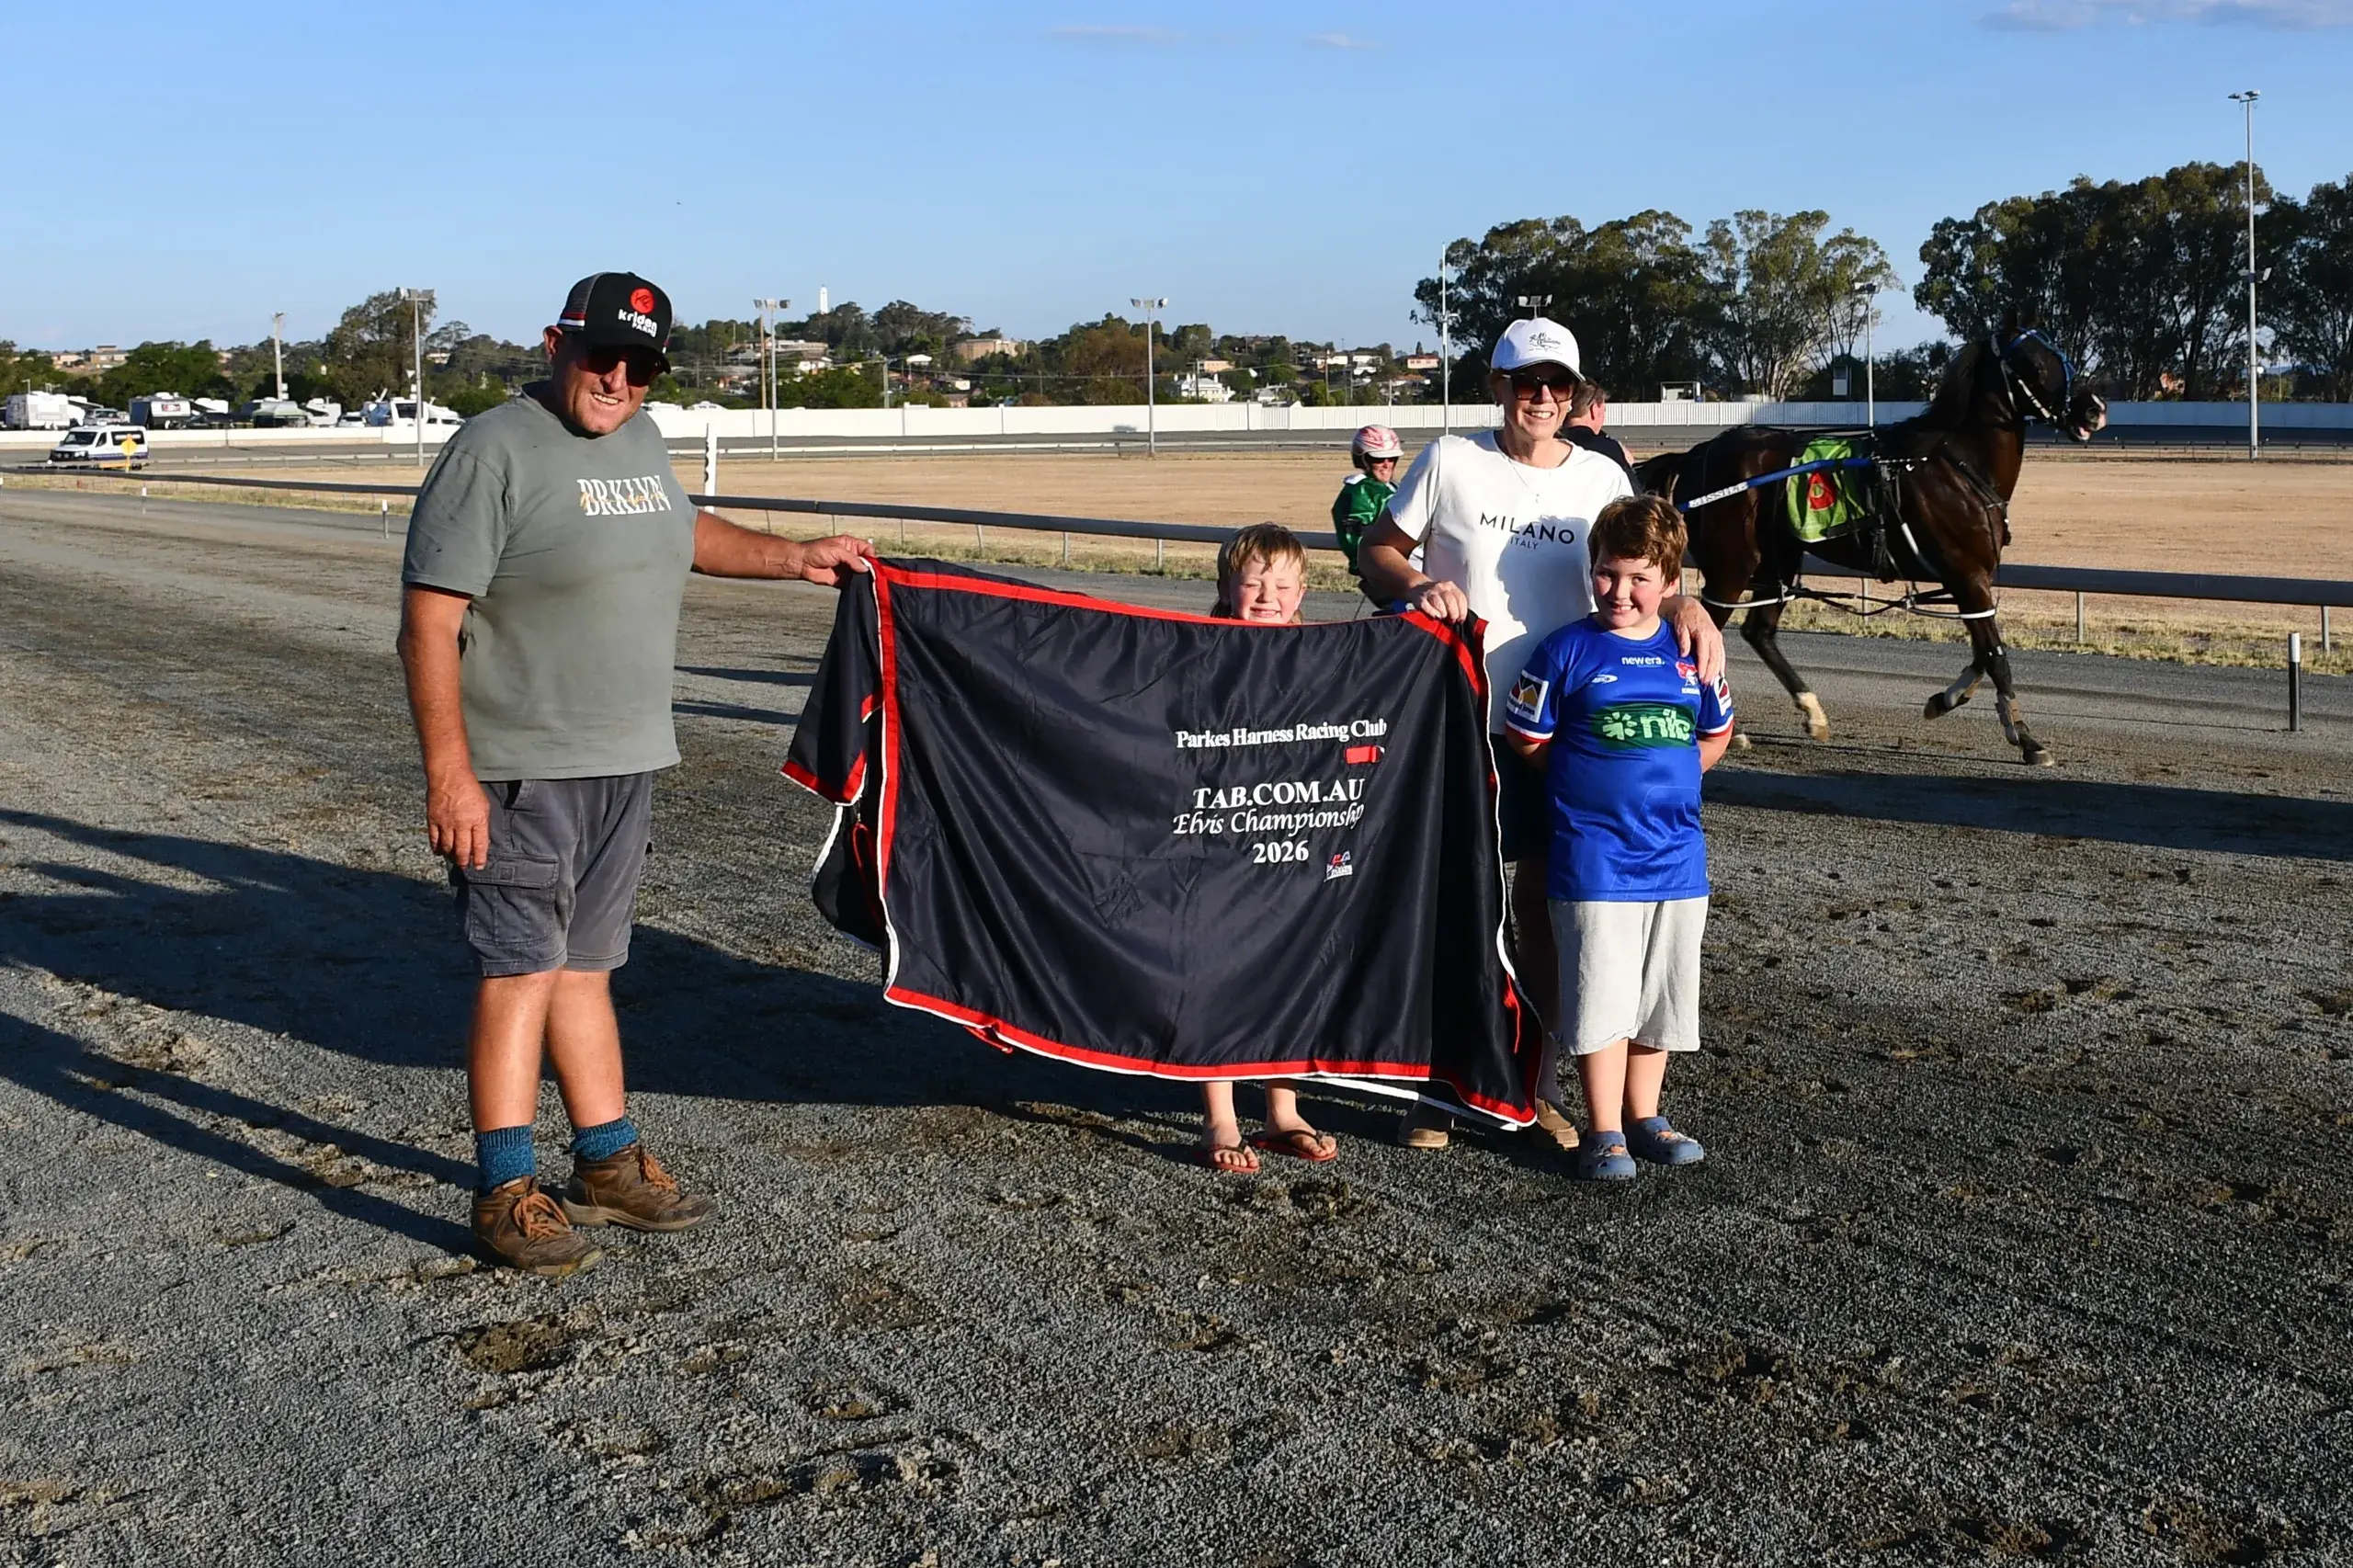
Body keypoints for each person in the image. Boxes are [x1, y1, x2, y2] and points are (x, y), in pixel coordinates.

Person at [398, 271, 875, 1276]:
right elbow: (428, 621)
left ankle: (606, 1162)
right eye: (600, 355)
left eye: (641, 365)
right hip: (521, 763)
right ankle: (504, 1186)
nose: (617, 378)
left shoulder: (643, 439)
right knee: (518, 966)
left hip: (625, 756)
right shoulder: (492, 449)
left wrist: (794, 558)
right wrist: (450, 773)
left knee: (585, 965)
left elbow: (681, 531)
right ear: (554, 344)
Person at [1356, 317, 1723, 1152]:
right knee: (1465, 906)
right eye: (1529, 385)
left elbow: (1648, 570)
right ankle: (1443, 1084)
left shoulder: (1600, 473)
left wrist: (1689, 603)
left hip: (1569, 739)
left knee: (1553, 911)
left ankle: (1541, 1085)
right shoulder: (1450, 460)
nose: (1545, 400)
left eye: (1560, 386)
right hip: (1463, 723)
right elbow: (1378, 548)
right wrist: (1415, 583)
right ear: (1498, 387)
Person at [1502, 494, 1733, 1179]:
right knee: (1601, 992)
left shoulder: (1692, 651)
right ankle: (1604, 1128)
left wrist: (1672, 780)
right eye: (1607, 573)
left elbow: (1714, 733)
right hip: (1595, 858)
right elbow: (1528, 736)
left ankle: (1646, 1115)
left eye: (1638, 577)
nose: (1620, 591)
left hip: (1677, 858)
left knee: (1660, 993)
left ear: (1669, 580)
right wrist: (1593, 779)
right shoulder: (1567, 649)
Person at [1196, 524, 1340, 1173]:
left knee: (1291, 967)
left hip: (1297, 839)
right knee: (1218, 972)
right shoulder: (1197, 652)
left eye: (1280, 585)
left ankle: (1282, 1110)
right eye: (1252, 582)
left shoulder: (1322, 652)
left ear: (1301, 591)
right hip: (1217, 837)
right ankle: (1220, 1117)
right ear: (1227, 587)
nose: (1265, 595)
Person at [1330, 425, 1404, 572]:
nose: (1386, 464)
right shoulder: (1358, 492)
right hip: (1387, 573)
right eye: (1378, 458)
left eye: (1392, 458)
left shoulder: (1393, 488)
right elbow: (1355, 540)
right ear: (1363, 459)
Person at [1563, 380, 1637, 488]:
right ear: (1594, 410)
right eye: (1604, 410)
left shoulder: (1550, 443)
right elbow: (1635, 496)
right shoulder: (1608, 448)